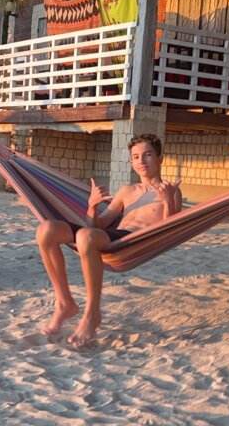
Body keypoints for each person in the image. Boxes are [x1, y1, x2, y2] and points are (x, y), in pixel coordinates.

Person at [35, 133, 182, 346]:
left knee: (85, 237)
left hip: (136, 240)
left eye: (148, 155)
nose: (142, 161)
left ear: (160, 159)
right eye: (136, 157)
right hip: (111, 236)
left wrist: (168, 201)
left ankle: (92, 313)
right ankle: (65, 303)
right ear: (131, 162)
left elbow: (169, 233)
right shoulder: (127, 191)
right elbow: (95, 225)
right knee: (46, 229)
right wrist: (92, 206)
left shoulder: (170, 190)